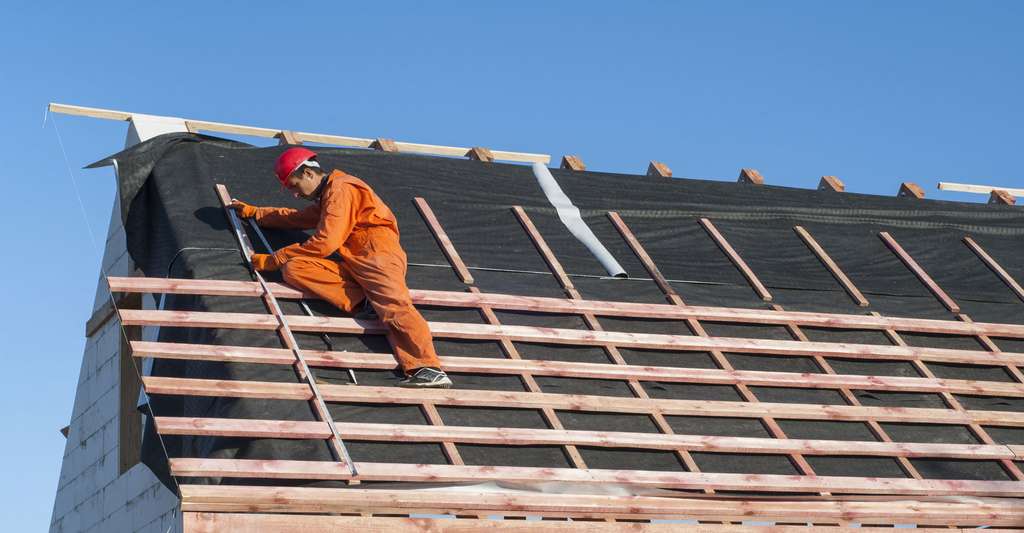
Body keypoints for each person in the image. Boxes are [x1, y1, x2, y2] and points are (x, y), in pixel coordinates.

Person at [230, 147, 452, 388]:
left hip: (377, 254)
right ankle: (364, 303)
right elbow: (298, 218)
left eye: (294, 186)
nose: (295, 194)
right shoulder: (330, 195)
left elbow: (325, 242)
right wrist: (257, 213)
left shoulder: (341, 189)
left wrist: (275, 258)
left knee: (394, 305)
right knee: (295, 267)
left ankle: (428, 368)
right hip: (355, 260)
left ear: (308, 173)